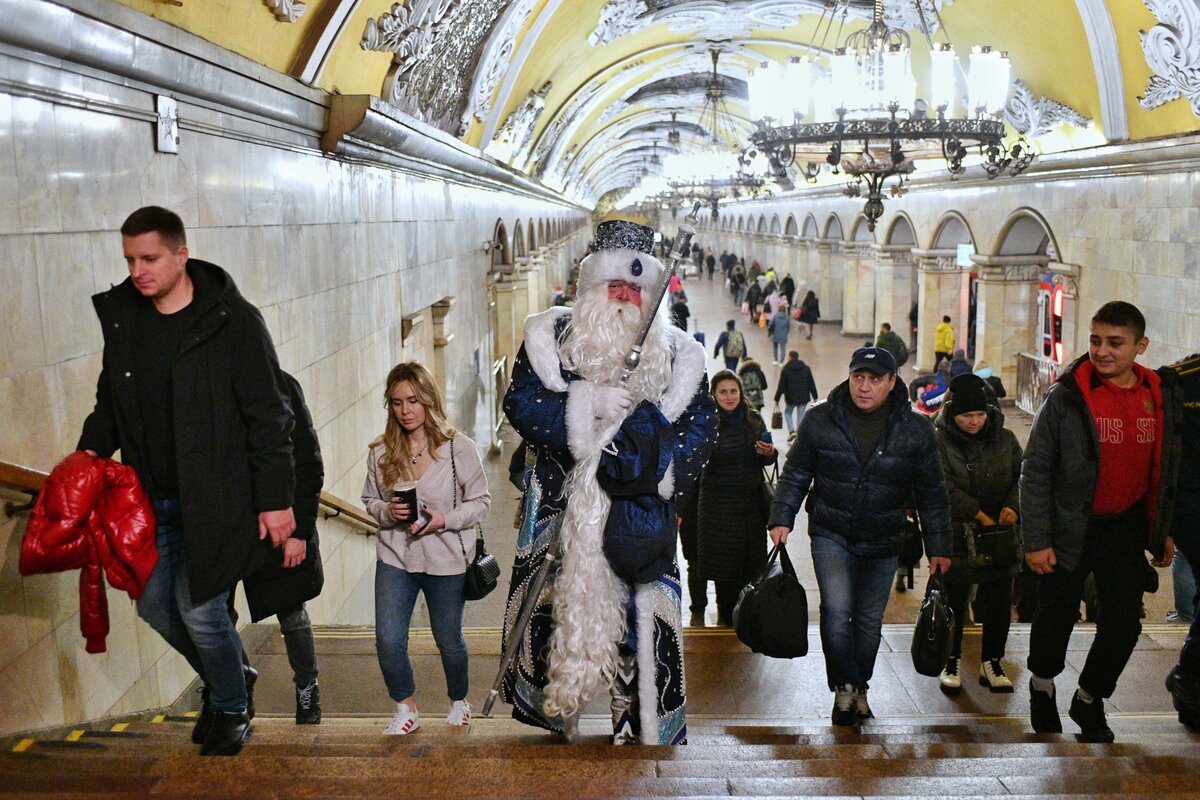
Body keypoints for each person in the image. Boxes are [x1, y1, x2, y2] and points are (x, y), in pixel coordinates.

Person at [76, 206, 296, 756]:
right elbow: (111, 404)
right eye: (129, 259)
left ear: (181, 254)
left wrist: (275, 501)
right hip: (149, 499)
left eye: (149, 258)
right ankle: (232, 678)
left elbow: (269, 415)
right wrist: (85, 457)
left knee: (199, 609)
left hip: (219, 499)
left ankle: (229, 706)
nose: (138, 271)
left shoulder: (233, 321)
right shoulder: (126, 321)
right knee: (154, 604)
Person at [499, 219, 717, 745]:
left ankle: (634, 715)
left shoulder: (681, 357)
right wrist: (586, 403)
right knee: (552, 611)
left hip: (639, 509)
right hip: (560, 502)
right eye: (613, 287)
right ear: (589, 287)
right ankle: (557, 709)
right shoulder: (546, 340)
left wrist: (654, 464)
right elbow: (522, 405)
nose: (623, 298)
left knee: (643, 617)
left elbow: (701, 427)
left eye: (634, 290)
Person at [768, 346, 951, 726]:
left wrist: (939, 546)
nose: (864, 387)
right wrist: (782, 516)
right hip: (831, 531)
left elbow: (933, 494)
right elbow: (796, 472)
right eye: (858, 377)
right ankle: (843, 689)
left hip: (884, 537)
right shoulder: (821, 419)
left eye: (874, 379)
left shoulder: (915, 429)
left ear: (891, 383)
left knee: (868, 619)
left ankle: (860, 685)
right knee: (836, 611)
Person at [1021, 301, 1169, 742]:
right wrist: (1036, 539)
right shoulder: (1067, 396)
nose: (1102, 351)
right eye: (1095, 340)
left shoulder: (1157, 395)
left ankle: (1089, 698)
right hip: (1069, 525)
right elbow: (1036, 471)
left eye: (1115, 343)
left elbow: (1165, 467)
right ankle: (1042, 686)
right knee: (1056, 617)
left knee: (1124, 622)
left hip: (1122, 527)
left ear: (1140, 346)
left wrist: (1161, 529)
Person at [362, 362, 492, 736]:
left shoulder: (457, 448)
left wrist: (444, 519)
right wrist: (387, 511)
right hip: (396, 557)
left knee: (448, 638)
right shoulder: (380, 452)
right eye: (397, 402)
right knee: (388, 638)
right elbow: (369, 500)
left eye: (413, 401)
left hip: (446, 559)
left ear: (428, 400)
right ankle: (406, 707)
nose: (405, 411)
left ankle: (459, 700)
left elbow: (482, 501)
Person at [234, 371, 325, 725]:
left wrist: (299, 532)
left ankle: (307, 687)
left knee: (291, 612)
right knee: (215, 613)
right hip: (230, 524)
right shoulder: (205, 388)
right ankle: (237, 686)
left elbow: (309, 464)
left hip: (280, 522)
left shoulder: (280, 386)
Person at [933, 374, 1023, 696]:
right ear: (953, 414)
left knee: (998, 599)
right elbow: (942, 485)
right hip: (958, 531)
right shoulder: (939, 441)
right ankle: (951, 660)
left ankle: (992, 662)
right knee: (955, 599)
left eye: (979, 415)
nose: (974, 422)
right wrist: (977, 512)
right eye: (966, 416)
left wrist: (1013, 506)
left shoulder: (1006, 439)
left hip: (999, 533)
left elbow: (1022, 477)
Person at [696, 371, 778, 626]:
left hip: (750, 508)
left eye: (733, 391)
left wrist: (769, 452)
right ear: (714, 395)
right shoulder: (707, 423)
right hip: (717, 511)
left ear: (741, 393)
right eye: (723, 391)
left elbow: (768, 459)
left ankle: (749, 622)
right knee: (724, 573)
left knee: (753, 568)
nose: (729, 397)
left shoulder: (753, 420)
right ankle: (726, 622)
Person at [1157, 352, 1200, 727]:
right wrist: (1161, 524)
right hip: (1191, 507)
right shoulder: (1178, 380)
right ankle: (1188, 676)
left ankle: (1190, 681)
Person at [774, 351, 819, 442]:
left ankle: (791, 431)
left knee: (788, 412)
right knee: (801, 415)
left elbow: (781, 386)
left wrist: (777, 398)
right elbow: (811, 383)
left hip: (791, 397)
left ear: (790, 357)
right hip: (803, 397)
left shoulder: (786, 370)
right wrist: (815, 396)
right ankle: (799, 435)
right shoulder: (806, 368)